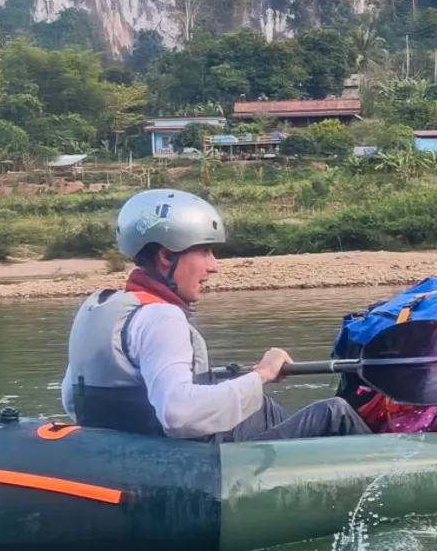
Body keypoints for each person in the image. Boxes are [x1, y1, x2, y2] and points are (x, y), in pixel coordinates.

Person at [60, 189, 371, 441]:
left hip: (132, 448)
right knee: (335, 412)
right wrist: (261, 374)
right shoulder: (161, 318)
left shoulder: (99, 306)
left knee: (263, 409)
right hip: (184, 464)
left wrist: (245, 383)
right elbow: (177, 414)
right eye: (205, 252)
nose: (214, 266)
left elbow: (71, 399)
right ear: (167, 255)